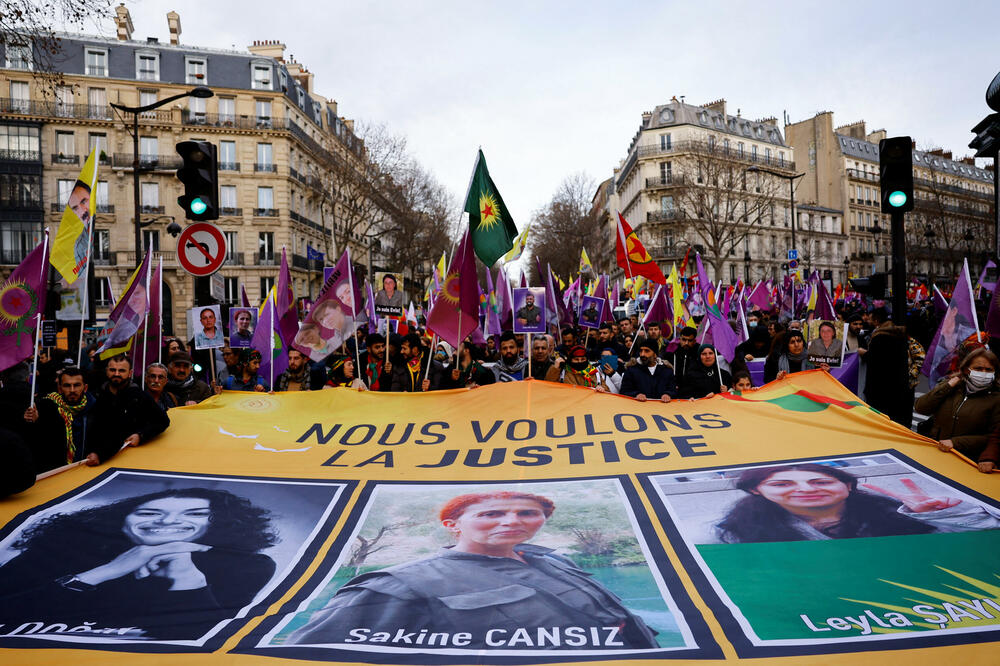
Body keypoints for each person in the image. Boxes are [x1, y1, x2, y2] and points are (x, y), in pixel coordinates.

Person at [286, 491, 659, 649]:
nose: (512, 521)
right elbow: (309, 654)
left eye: (527, 513)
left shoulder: (556, 562)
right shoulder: (397, 585)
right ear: (453, 525)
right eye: (492, 513)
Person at [0, 488, 277, 641]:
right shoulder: (65, 547)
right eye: (148, 512)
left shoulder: (247, 565)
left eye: (194, 514)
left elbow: (201, 639)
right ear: (121, 519)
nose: (167, 521)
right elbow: (7, 607)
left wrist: (186, 577)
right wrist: (106, 572)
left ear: (218, 523)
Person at [711, 463, 1000, 544]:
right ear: (758, 491)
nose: (806, 490)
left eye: (820, 481)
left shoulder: (899, 515)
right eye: (782, 484)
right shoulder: (736, 533)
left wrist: (943, 515)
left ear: (848, 486)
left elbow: (986, 537)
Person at [915, 347, 1000, 474]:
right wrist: (948, 386)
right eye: (978, 368)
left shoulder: (996, 398)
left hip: (965, 460)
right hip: (934, 451)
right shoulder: (952, 386)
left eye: (988, 370)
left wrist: (956, 443)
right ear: (966, 369)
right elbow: (921, 407)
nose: (983, 373)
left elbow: (993, 437)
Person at [87, 355, 169, 466]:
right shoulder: (96, 396)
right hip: (94, 459)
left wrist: (140, 435)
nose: (116, 374)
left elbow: (162, 421)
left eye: (121, 370)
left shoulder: (139, 396)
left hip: (129, 460)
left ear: (130, 373)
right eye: (113, 370)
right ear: (107, 371)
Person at [22, 366, 96, 473]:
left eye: (76, 385)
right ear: (60, 389)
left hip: (86, 470)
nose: (72, 390)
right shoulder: (44, 408)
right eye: (67, 386)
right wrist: (33, 422)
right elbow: (35, 443)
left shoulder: (96, 408)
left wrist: (99, 454)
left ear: (85, 388)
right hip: (55, 472)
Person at [864, 307, 912, 427]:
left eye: (870, 319)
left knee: (881, 420)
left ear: (876, 321)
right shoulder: (899, 334)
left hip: (880, 387)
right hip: (898, 384)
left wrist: (864, 354)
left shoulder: (879, 337)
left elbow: (874, 361)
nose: (868, 321)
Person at [545, 345, 612, 390]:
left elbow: (607, 391)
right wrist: (555, 368)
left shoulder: (594, 372)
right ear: (571, 359)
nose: (580, 362)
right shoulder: (563, 372)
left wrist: (602, 389)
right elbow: (548, 385)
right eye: (576, 359)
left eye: (583, 359)